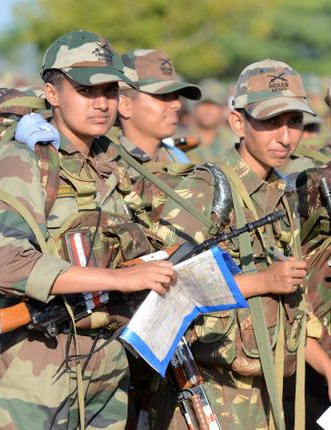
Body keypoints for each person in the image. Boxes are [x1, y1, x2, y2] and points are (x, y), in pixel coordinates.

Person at [0, 30, 176, 430]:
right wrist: (120, 278)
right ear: (52, 93)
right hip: (26, 373)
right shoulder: (24, 161)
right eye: (85, 89)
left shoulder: (115, 164)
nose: (101, 102)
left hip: (104, 366)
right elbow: (7, 265)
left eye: (110, 90)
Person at [154, 59, 331, 429]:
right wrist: (263, 282)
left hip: (268, 391)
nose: (285, 137)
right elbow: (166, 292)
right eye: (270, 122)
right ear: (238, 123)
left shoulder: (280, 194)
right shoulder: (206, 191)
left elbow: (292, 307)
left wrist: (327, 368)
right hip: (209, 392)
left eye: (294, 122)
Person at [116, 49, 201, 230]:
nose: (177, 104)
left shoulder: (178, 159)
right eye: (162, 96)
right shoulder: (108, 165)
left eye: (176, 96)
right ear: (125, 105)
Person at [179, 78, 236, 163]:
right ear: (194, 108)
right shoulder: (180, 141)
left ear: (223, 109)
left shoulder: (235, 143)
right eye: (204, 104)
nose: (208, 109)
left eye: (214, 104)